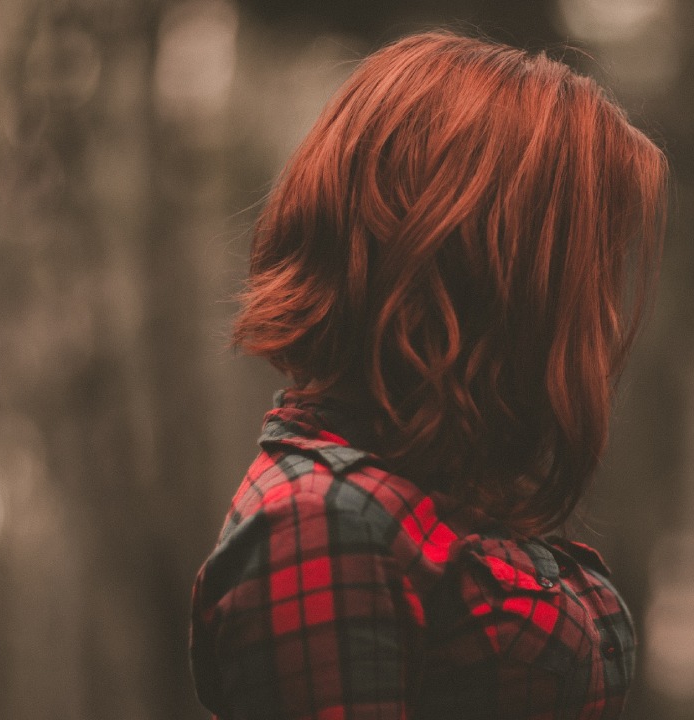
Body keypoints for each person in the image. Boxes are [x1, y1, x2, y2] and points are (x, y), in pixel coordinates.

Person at [189, 30, 668, 720]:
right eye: (577, 268)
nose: (599, 310)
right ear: (478, 267)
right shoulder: (322, 526)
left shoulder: (439, 491)